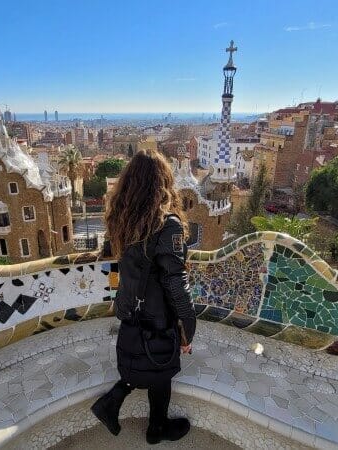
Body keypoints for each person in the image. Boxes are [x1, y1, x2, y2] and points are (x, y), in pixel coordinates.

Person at [91, 150, 196, 444]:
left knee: (140, 358)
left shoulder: (120, 218)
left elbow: (112, 259)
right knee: (160, 368)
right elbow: (176, 283)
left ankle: (112, 403)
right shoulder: (168, 225)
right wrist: (188, 328)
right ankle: (156, 429)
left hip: (130, 309)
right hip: (158, 315)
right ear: (164, 182)